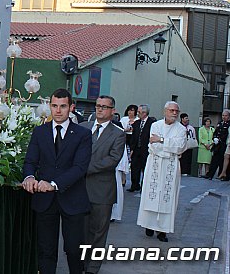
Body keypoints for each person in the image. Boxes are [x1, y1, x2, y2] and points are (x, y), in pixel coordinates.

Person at [22, 88, 92, 274]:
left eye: (62, 106)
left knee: (74, 251)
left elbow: (79, 168)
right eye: (54, 106)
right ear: (50, 107)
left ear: (71, 108)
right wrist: (29, 177)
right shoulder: (39, 132)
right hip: (44, 203)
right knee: (46, 250)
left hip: (73, 200)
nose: (58, 110)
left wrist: (53, 184)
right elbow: (30, 161)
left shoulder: (83, 134)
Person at [79, 96, 126, 274]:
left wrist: (83, 168)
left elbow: (112, 160)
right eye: (98, 106)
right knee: (81, 231)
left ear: (112, 111)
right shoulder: (84, 127)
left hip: (102, 190)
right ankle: (81, 263)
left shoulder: (118, 133)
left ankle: (92, 268)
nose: (100, 109)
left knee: (98, 232)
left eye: (104, 107)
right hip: (80, 189)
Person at [137, 101, 187, 242]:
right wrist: (169, 148)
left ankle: (162, 230)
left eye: (176, 111)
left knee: (168, 197)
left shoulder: (181, 129)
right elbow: (153, 146)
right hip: (155, 164)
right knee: (151, 194)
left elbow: (180, 147)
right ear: (165, 111)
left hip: (171, 166)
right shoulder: (156, 125)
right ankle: (149, 225)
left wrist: (162, 140)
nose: (174, 113)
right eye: (171, 110)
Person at [128, 104, 154, 192]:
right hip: (136, 149)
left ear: (144, 113)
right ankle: (134, 185)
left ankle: (144, 186)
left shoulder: (152, 123)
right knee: (134, 168)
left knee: (146, 169)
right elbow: (133, 137)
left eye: (139, 112)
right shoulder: (136, 123)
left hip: (146, 150)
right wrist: (131, 149)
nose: (137, 114)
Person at [205, 109, 230, 180]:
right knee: (214, 159)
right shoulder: (220, 123)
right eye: (223, 115)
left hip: (224, 144)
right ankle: (210, 174)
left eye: (225, 115)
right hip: (217, 145)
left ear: (228, 116)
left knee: (223, 160)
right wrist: (215, 138)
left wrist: (220, 139)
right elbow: (216, 132)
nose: (224, 117)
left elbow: (226, 134)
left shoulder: (229, 124)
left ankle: (223, 175)